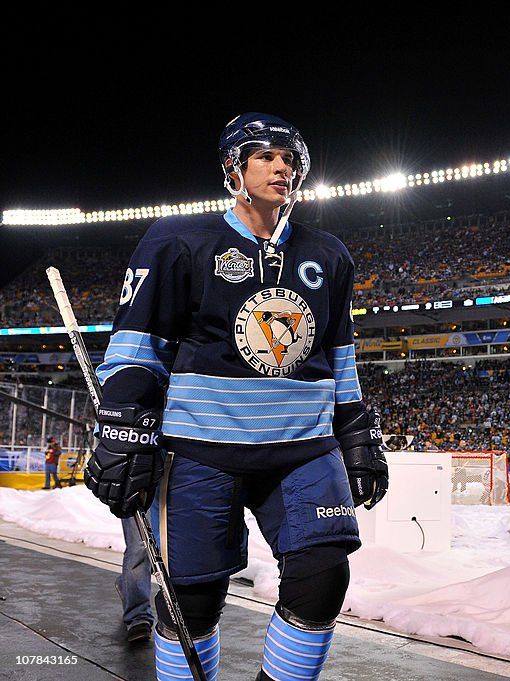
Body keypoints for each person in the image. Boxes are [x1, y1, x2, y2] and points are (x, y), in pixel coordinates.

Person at [84, 113, 389, 681]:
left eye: (290, 158)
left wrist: (356, 432)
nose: (283, 167)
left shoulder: (329, 253)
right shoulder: (178, 241)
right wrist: (123, 427)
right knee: (192, 603)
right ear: (233, 167)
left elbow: (340, 357)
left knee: (324, 578)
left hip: (304, 448)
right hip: (201, 450)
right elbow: (136, 346)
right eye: (266, 155)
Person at [116, 516, 154, 643]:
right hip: (140, 496)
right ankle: (138, 616)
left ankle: (127, 585)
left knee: (173, 542)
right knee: (139, 546)